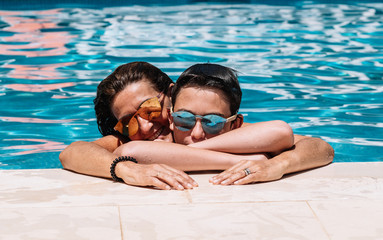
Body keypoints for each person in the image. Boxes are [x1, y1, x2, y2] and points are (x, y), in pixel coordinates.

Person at [60, 62, 333, 190]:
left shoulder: (210, 120)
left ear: (170, 96)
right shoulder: (130, 143)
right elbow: (71, 152)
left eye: (149, 109)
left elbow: (318, 146)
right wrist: (125, 169)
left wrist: (277, 166)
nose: (145, 126)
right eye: (129, 122)